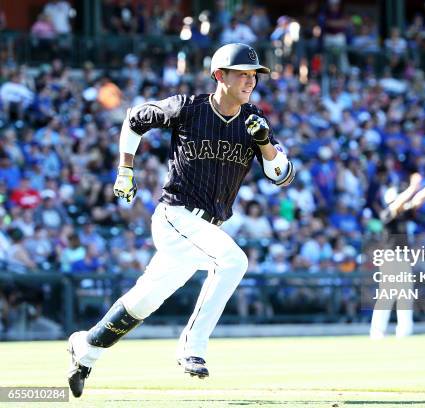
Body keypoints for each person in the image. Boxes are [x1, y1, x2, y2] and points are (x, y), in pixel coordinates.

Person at [66, 43, 295, 398]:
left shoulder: (254, 121)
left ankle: (86, 347)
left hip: (205, 230)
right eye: (241, 73)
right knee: (234, 260)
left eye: (253, 74)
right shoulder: (188, 108)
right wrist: (125, 169)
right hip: (176, 216)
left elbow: (282, 175)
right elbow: (133, 119)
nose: (250, 80)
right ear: (220, 75)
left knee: (144, 301)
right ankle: (192, 346)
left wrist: (264, 143)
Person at [370, 169, 425, 339]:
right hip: (389, 258)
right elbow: (399, 203)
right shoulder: (386, 214)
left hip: (402, 258)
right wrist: (413, 186)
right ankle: (377, 331)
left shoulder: (402, 213)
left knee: (405, 295)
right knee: (387, 295)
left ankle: (405, 331)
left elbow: (418, 200)